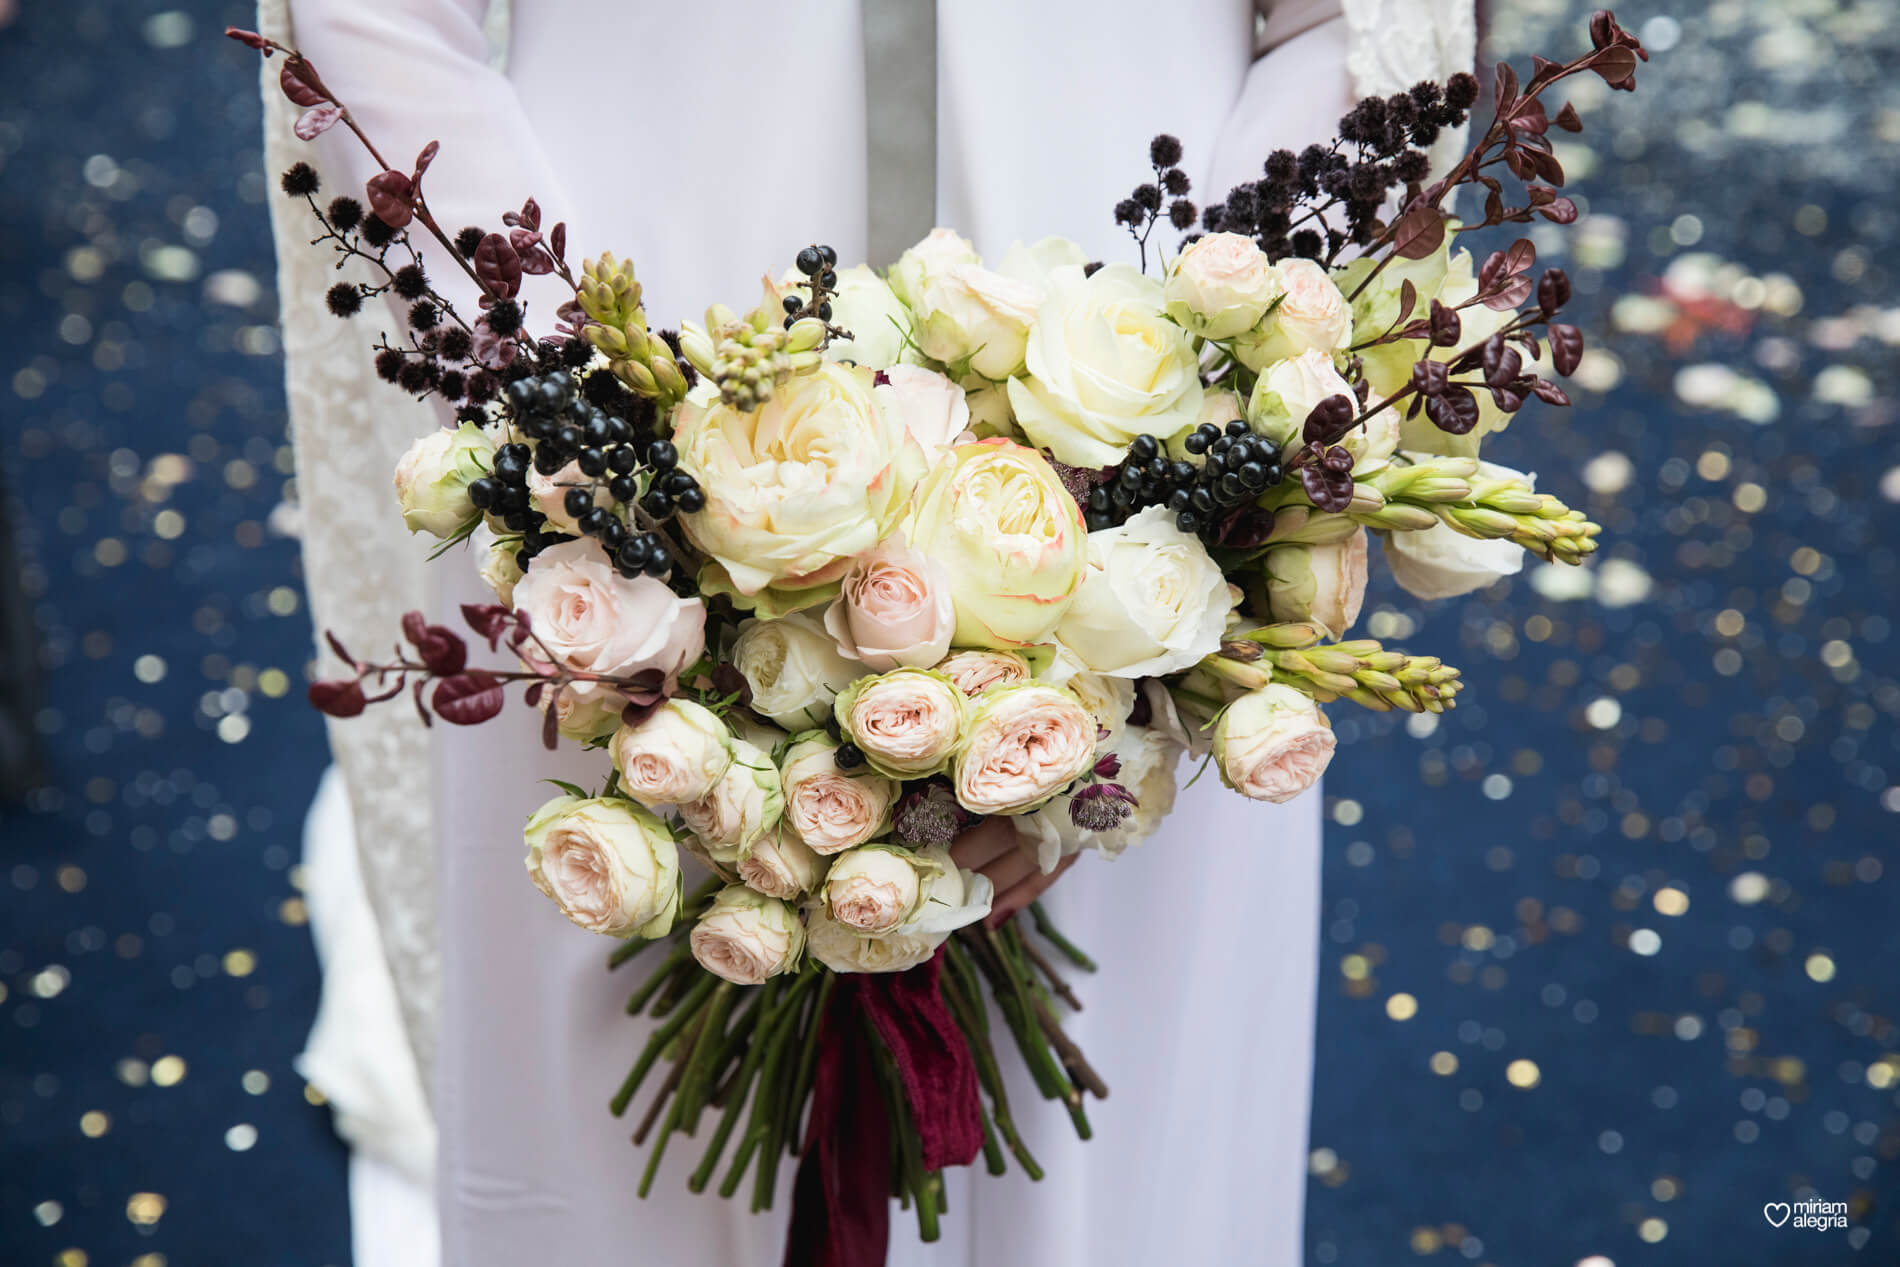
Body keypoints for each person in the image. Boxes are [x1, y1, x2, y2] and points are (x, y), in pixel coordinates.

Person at [262, 1, 1473, 1263]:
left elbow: (1355, 26)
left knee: (1119, 1081)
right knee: (622, 1037)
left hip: (1137, 335)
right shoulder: (591, 447)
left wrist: (1184, 459)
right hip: (612, 323)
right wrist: (591, 426)